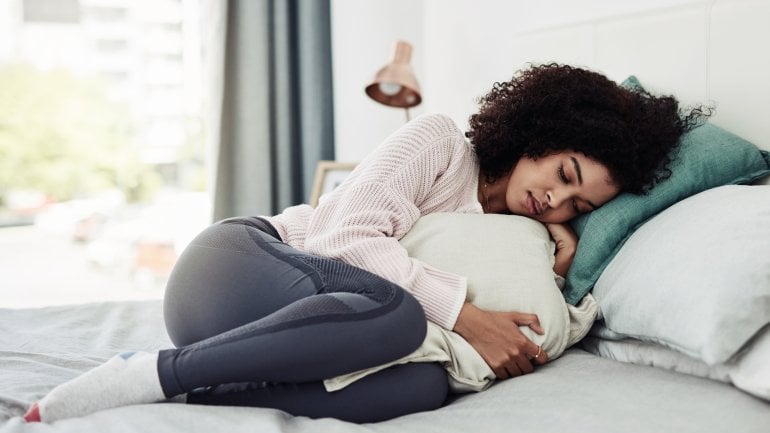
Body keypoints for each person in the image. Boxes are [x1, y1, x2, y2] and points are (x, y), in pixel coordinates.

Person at [23, 63, 705, 423]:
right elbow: (346, 237)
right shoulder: (440, 142)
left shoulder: (523, 234)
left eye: (579, 204)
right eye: (564, 175)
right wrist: (464, 313)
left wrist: (553, 262)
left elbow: (522, 310)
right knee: (400, 313)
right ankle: (153, 370)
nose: (557, 200)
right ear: (541, 132)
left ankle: (180, 396)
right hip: (238, 268)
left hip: (291, 331)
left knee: (423, 385)